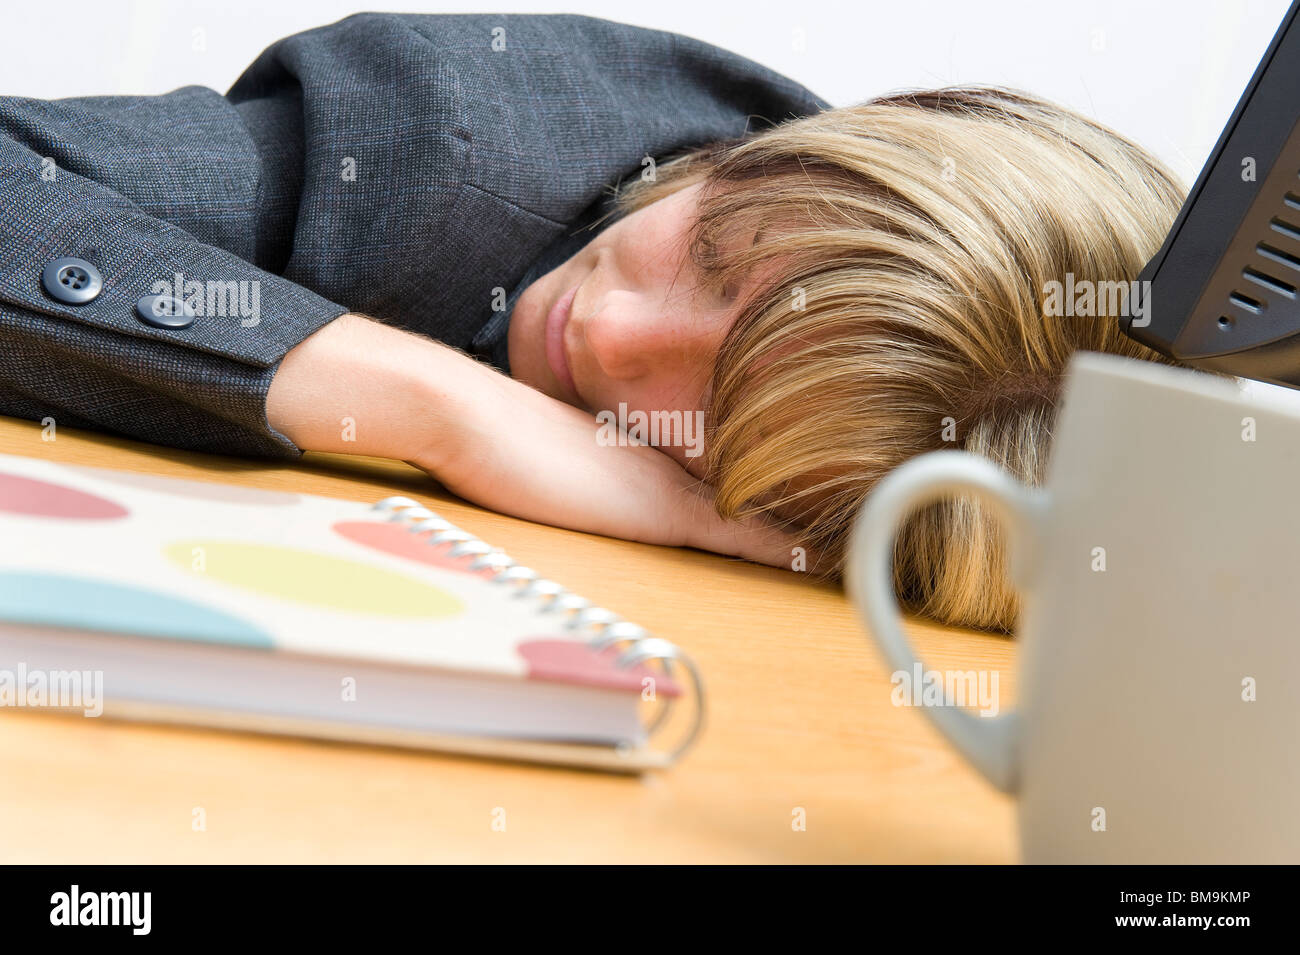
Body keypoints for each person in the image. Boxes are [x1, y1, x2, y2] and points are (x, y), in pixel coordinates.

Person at [0, 13, 1186, 632]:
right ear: (787, 152)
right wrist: (438, 403)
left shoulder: (903, 476)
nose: (612, 332)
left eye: (715, 418)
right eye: (713, 256)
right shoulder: (447, 149)